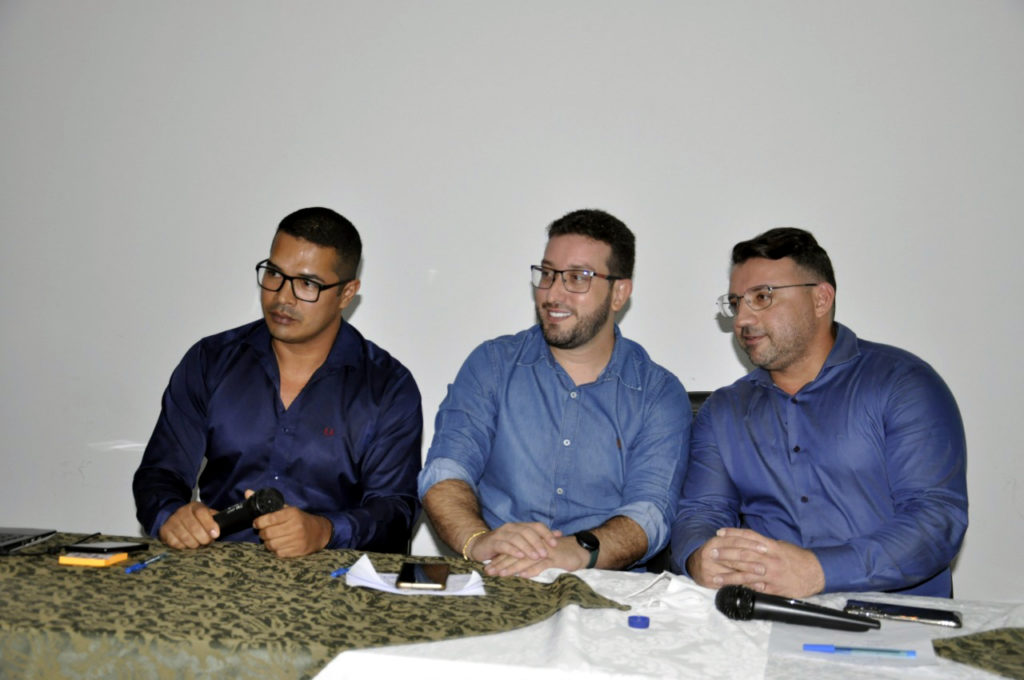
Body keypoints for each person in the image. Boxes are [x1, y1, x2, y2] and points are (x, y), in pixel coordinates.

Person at [671, 227, 967, 597]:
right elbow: (701, 513)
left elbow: (935, 521)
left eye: (762, 297)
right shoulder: (723, 411)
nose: (742, 319)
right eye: (736, 303)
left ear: (821, 299)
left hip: (896, 619)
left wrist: (819, 571)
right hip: (769, 616)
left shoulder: (902, 384)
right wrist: (700, 556)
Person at [133, 207, 422, 557]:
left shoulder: (387, 388)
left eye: (307, 284)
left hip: (332, 576)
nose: (283, 297)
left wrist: (325, 531)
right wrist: (171, 514)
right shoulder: (211, 361)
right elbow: (159, 473)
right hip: (216, 568)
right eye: (274, 273)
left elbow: (395, 512)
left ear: (347, 294)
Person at [419, 208, 690, 578]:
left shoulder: (658, 394)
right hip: (496, 575)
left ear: (619, 293)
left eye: (577, 278)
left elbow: (651, 513)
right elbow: (446, 469)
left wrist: (577, 551)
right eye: (547, 274)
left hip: (603, 586)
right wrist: (478, 540)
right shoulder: (492, 365)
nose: (552, 293)